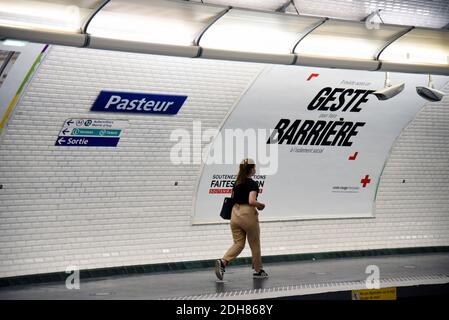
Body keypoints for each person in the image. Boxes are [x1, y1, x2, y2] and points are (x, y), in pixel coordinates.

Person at [215, 158, 268, 280]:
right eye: (254, 167)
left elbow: (233, 198)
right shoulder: (253, 184)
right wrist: (261, 205)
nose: (255, 169)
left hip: (235, 214)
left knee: (238, 243)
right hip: (247, 214)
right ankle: (258, 270)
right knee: (254, 243)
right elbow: (251, 201)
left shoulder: (236, 183)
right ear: (251, 169)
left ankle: (223, 261)